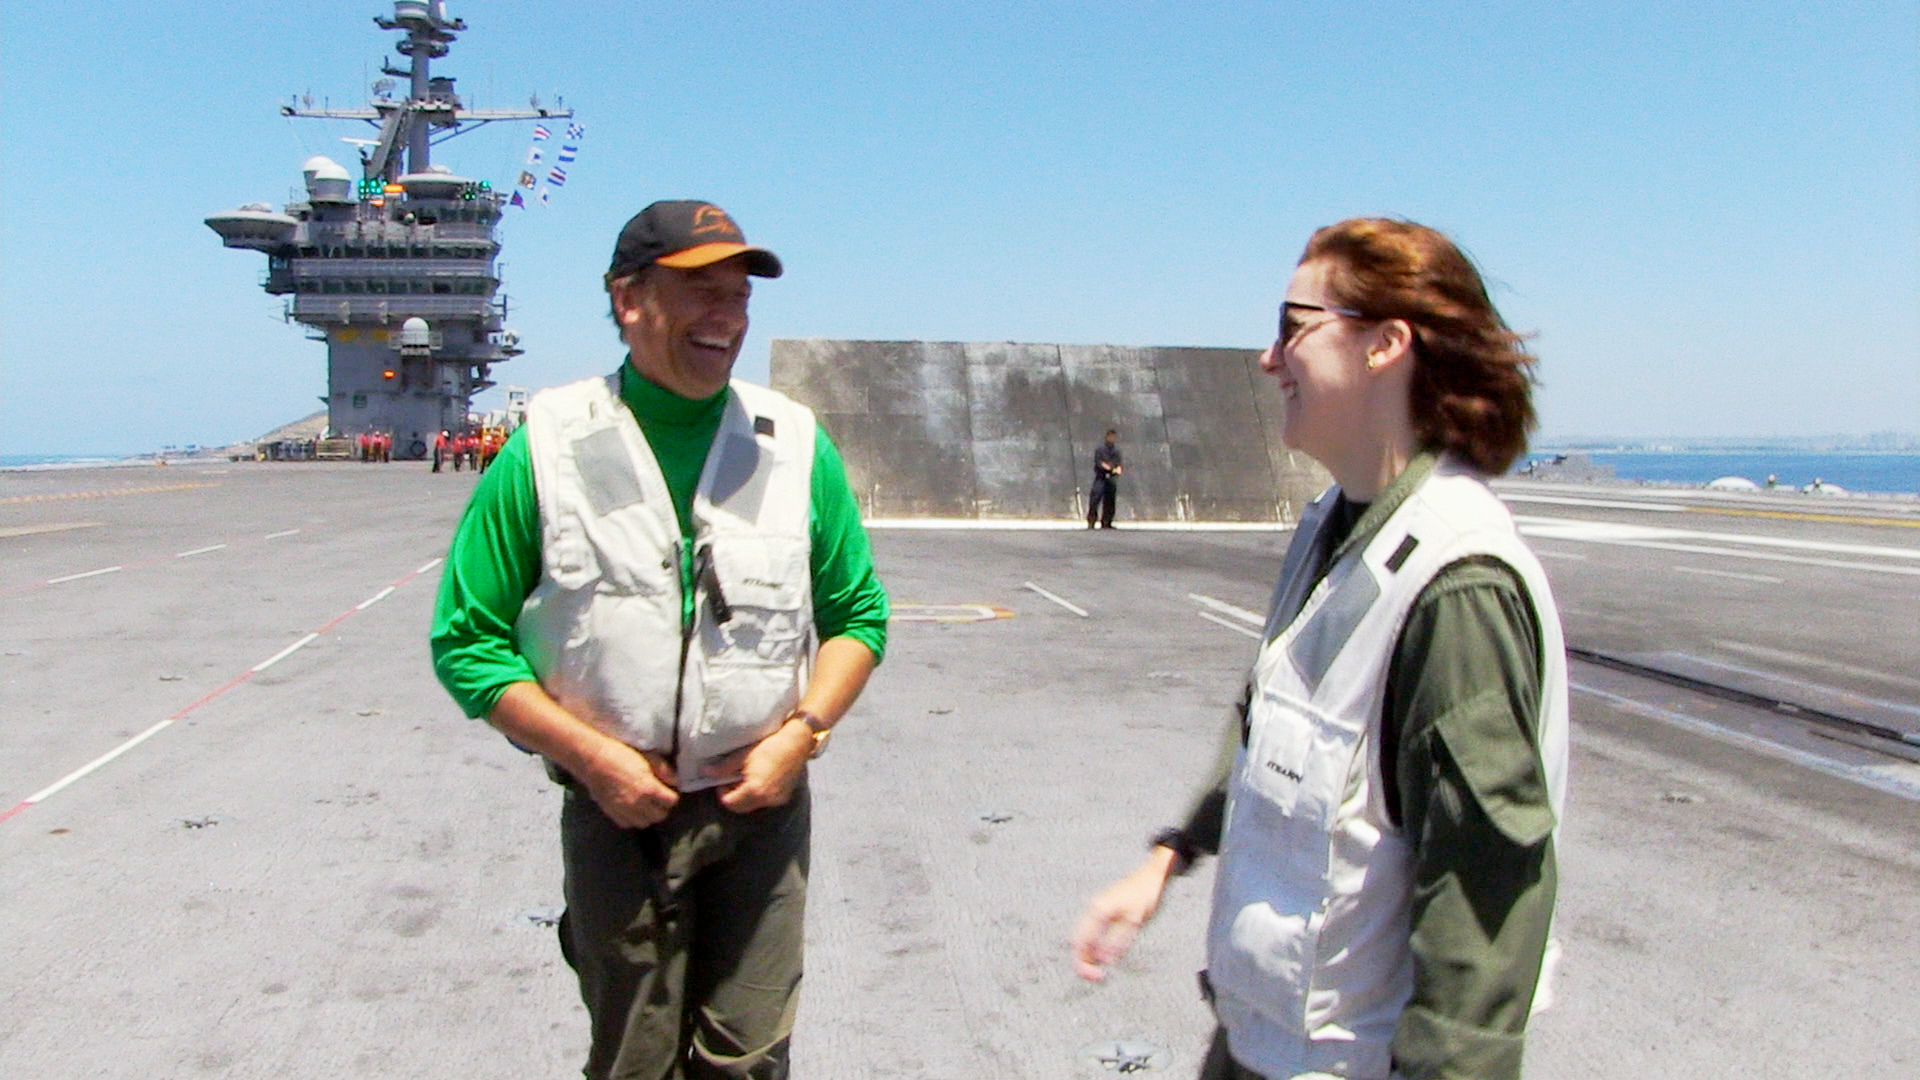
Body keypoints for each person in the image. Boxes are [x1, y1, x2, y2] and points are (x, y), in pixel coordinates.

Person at [1072, 218, 1569, 1080]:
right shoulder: (1331, 528)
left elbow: (1483, 906)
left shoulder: (1456, 586)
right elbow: (1275, 723)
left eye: (1291, 325)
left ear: (1385, 345)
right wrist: (1170, 854)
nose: (1269, 360)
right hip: (1258, 1045)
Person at [431, 199, 888, 1080]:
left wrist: (803, 733)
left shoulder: (793, 444)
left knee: (748, 1061)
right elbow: (468, 641)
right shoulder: (547, 449)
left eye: (740, 296)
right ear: (628, 301)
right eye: (700, 291)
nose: (728, 316)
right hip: (616, 812)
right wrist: (594, 760)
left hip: (760, 808)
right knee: (632, 1059)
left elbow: (857, 616)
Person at [1087, 428, 1124, 529]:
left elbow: (1118, 463)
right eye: (1110, 437)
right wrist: (1110, 468)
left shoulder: (1116, 451)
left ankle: (1107, 522)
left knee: (1110, 501)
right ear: (1107, 437)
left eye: (1114, 437)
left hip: (1111, 478)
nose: (1112, 439)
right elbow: (1099, 463)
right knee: (1095, 498)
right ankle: (1092, 520)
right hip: (1101, 477)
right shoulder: (1100, 450)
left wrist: (1117, 469)